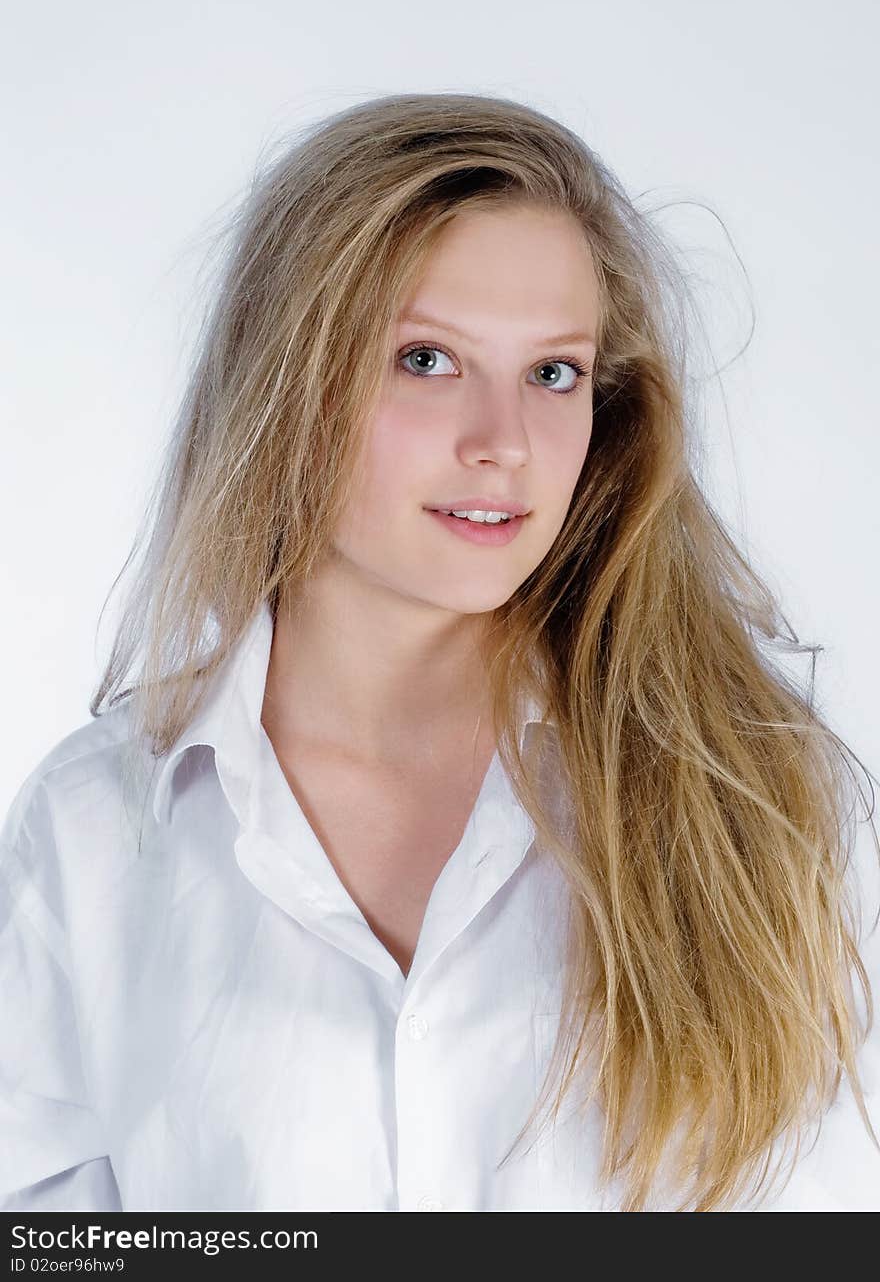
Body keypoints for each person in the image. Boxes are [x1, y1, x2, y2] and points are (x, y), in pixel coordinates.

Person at [2, 92, 878, 1213]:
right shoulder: (94, 828)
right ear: (286, 383)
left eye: (553, 373)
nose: (503, 442)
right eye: (426, 359)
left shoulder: (763, 807)